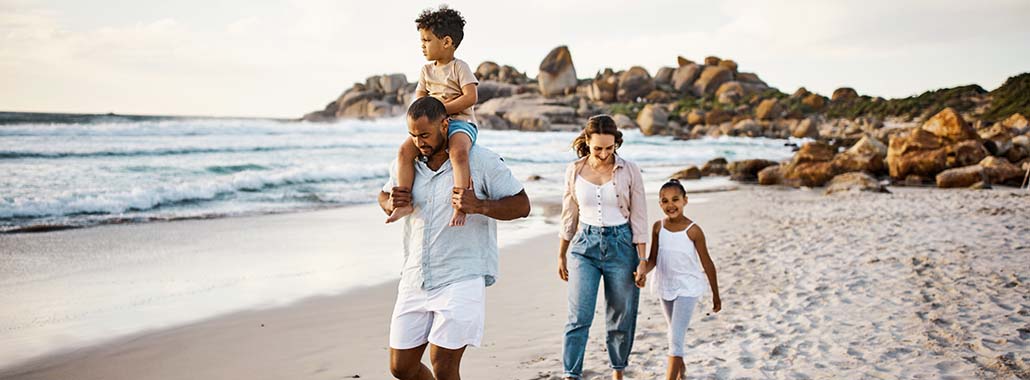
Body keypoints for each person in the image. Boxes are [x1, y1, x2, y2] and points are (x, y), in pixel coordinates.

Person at [379, 96, 530, 380]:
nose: (419, 142)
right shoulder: (408, 164)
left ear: (445, 125)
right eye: (412, 135)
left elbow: (523, 205)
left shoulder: (481, 161)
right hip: (415, 277)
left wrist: (480, 206)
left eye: (424, 134)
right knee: (401, 367)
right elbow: (384, 195)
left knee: (444, 365)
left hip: (462, 275)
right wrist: (389, 202)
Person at [557, 115, 648, 380]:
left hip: (621, 246)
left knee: (620, 316)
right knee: (578, 317)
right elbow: (568, 215)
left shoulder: (629, 170)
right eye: (598, 148)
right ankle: (571, 374)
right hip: (584, 246)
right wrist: (561, 254)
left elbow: (639, 217)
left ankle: (618, 370)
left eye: (610, 148)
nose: (605, 153)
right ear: (587, 141)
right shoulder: (574, 170)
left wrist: (642, 259)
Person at [386, 5, 479, 227]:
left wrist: (441, 110)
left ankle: (460, 205)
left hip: (460, 123)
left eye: (427, 40)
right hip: (433, 125)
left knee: (458, 153)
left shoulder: (459, 67)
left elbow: (470, 97)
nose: (422, 46)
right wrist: (424, 115)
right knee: (404, 151)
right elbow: (420, 99)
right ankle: (404, 202)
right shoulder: (426, 71)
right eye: (422, 40)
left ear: (446, 42)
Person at [640, 179, 722, 380]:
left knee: (675, 337)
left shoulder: (693, 230)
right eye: (665, 201)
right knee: (673, 332)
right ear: (659, 204)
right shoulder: (658, 227)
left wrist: (716, 295)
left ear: (685, 200)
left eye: (675, 199)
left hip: (687, 288)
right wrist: (642, 271)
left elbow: (707, 263)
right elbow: (653, 259)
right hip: (665, 285)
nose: (670, 205)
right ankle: (681, 370)